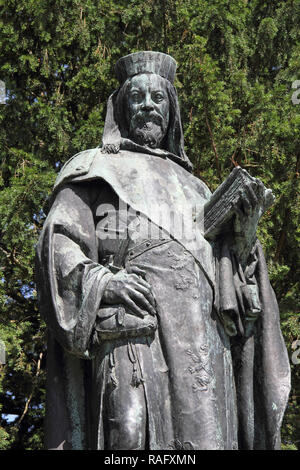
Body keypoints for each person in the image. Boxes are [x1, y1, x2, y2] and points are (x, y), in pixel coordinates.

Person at [36, 51, 290, 450]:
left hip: (205, 346)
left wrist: (242, 240)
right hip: (137, 333)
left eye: (159, 98)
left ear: (172, 110)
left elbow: (236, 299)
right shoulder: (94, 169)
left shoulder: (199, 189)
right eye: (138, 98)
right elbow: (58, 243)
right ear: (121, 107)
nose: (148, 106)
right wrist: (103, 283)